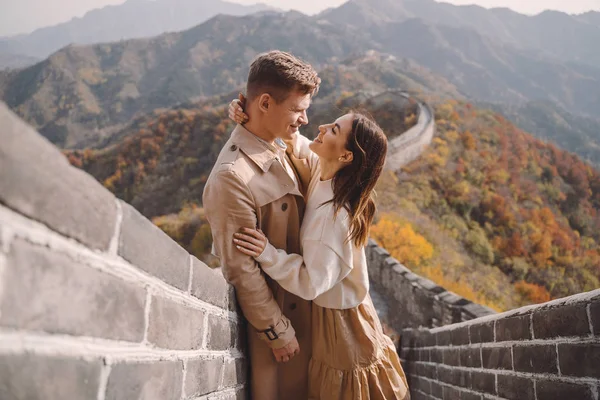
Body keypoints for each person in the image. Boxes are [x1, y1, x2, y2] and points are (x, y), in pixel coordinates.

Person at [230, 101, 410, 399]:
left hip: (343, 327)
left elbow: (312, 282)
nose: (321, 127)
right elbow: (297, 145)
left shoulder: (332, 218)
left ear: (345, 154)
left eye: (333, 130)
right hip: (345, 313)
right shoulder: (329, 175)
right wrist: (249, 114)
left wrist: (267, 253)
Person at [203, 51, 321, 400]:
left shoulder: (280, 142)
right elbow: (241, 268)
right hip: (284, 326)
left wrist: (251, 115)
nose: (305, 118)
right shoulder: (232, 176)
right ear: (266, 102)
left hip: (310, 309)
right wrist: (276, 330)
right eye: (298, 109)